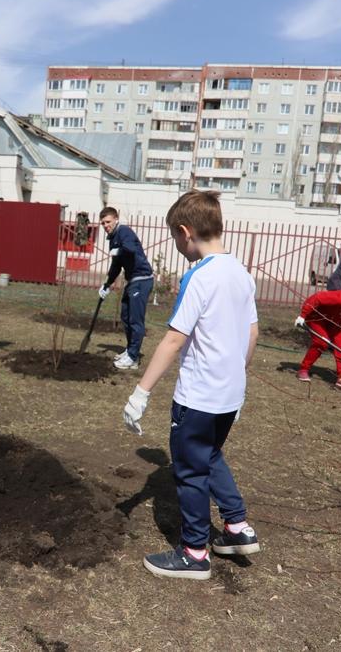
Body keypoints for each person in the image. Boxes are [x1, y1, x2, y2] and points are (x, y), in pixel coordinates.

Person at [121, 190, 260, 580]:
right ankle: (236, 528)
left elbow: (174, 339)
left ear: (185, 233)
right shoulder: (241, 274)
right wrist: (239, 377)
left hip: (198, 397)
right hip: (229, 395)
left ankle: (195, 553)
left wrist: (140, 392)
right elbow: (252, 333)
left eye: (174, 238)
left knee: (190, 470)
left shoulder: (199, 276)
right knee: (210, 454)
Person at [98, 207, 154, 370]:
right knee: (125, 316)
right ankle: (130, 350)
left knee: (135, 320)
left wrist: (119, 250)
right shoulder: (113, 238)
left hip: (142, 279)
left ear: (116, 219)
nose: (105, 225)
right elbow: (116, 265)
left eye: (108, 222)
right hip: (132, 280)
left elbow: (129, 249)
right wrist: (107, 284)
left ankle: (133, 358)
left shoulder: (124, 232)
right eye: (102, 223)